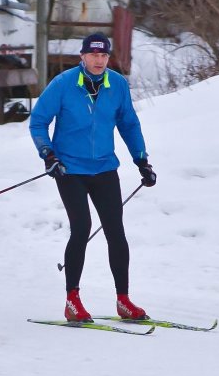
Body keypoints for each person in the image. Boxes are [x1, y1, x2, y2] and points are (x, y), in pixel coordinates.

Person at [29, 32, 157, 322]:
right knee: (82, 227)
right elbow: (38, 122)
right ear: (83, 56)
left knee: (116, 232)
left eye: (103, 56)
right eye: (93, 55)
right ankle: (72, 300)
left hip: (104, 168)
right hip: (69, 169)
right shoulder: (63, 84)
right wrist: (49, 155)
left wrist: (142, 160)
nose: (99, 60)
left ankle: (123, 300)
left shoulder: (117, 85)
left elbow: (129, 124)